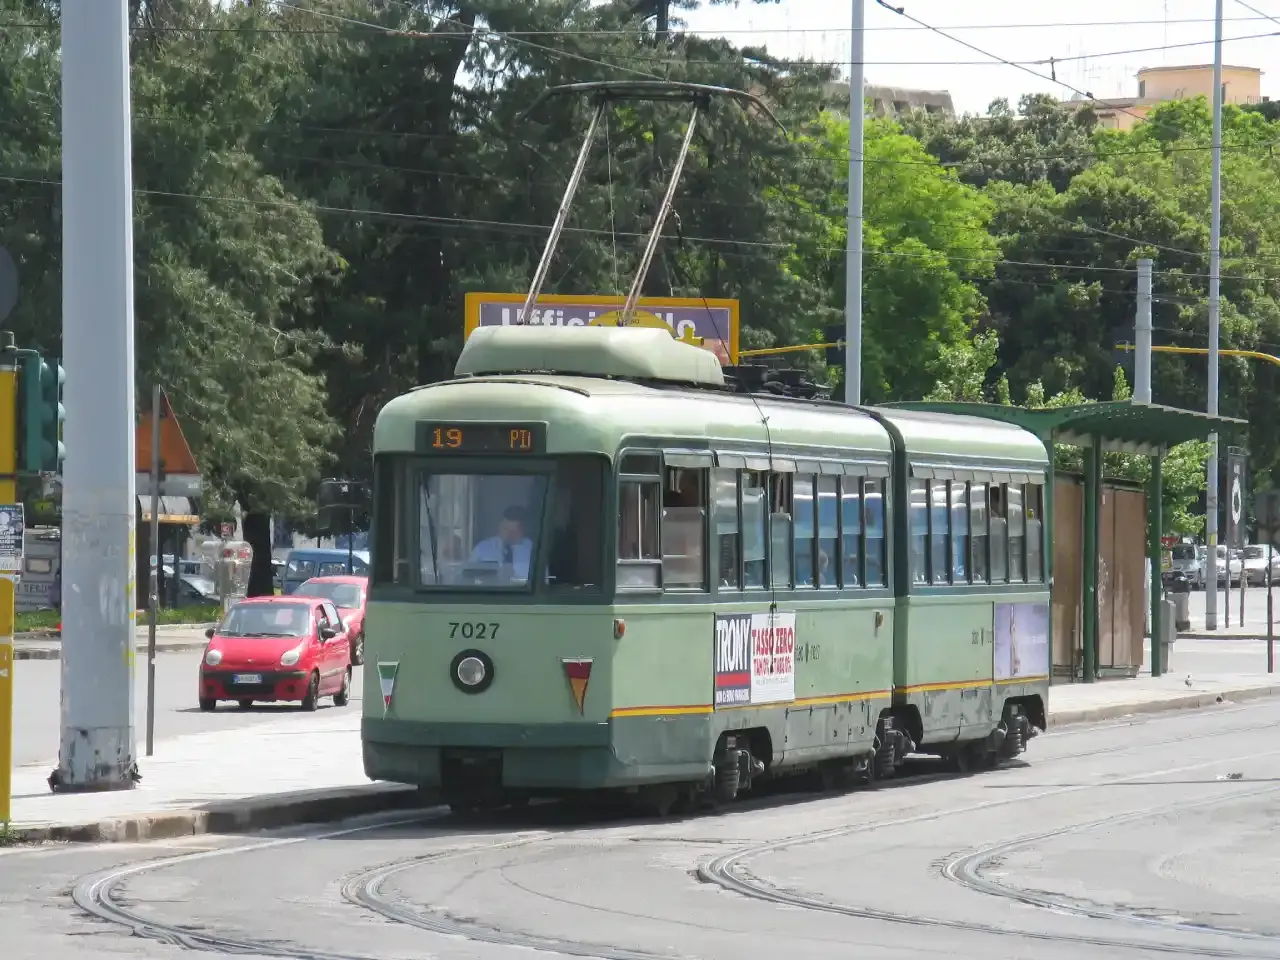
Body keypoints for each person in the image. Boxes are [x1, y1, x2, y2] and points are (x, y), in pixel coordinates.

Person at [469, 505, 533, 580]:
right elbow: (467, 574)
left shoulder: (533, 551)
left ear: (523, 530)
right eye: (505, 529)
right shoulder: (482, 548)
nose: (508, 535)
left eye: (514, 532)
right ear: (499, 526)